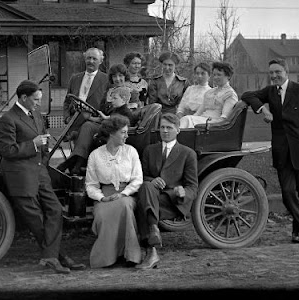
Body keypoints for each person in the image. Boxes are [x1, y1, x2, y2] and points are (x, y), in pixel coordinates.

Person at [0, 80, 86, 273]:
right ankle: (57, 257)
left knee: (55, 210)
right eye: (35, 99)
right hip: (20, 177)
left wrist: (43, 157)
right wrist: (34, 144)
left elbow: (43, 139)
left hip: (39, 172)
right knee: (37, 220)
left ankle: (51, 256)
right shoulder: (8, 119)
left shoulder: (35, 114)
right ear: (23, 98)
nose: (38, 103)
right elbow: (8, 150)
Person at [240, 58, 299, 244]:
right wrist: (263, 110)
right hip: (282, 153)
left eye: (278, 72)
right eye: (271, 73)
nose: (274, 76)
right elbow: (246, 95)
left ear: (286, 72)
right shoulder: (270, 92)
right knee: (287, 193)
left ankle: (298, 232)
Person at [135, 112, 198, 270]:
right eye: (162, 127)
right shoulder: (150, 150)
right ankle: (153, 240)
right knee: (147, 186)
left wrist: (183, 192)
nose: (165, 131)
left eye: (169, 128)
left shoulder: (187, 153)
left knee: (143, 205)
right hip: (152, 196)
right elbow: (141, 176)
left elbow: (193, 187)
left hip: (171, 201)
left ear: (178, 130)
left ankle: (151, 234)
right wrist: (152, 180)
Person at [85, 115, 143, 268]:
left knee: (124, 205)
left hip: (127, 194)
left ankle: (130, 255)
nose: (127, 135)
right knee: (103, 214)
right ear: (112, 133)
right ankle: (106, 257)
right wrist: (102, 198)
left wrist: (124, 193)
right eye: (123, 132)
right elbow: (91, 185)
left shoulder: (130, 151)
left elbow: (137, 179)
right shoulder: (95, 155)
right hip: (105, 196)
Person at [60, 85, 137, 175]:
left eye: (115, 98)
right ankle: (77, 161)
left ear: (123, 100)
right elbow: (104, 119)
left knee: (87, 126)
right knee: (86, 126)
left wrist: (106, 118)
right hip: (105, 130)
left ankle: (76, 161)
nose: (112, 101)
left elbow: (119, 122)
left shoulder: (125, 112)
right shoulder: (116, 110)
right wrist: (90, 117)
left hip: (110, 135)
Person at [179, 62, 239, 129]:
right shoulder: (209, 92)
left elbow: (224, 119)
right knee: (186, 120)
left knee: (187, 120)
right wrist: (193, 118)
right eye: (214, 75)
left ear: (228, 76)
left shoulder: (230, 94)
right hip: (202, 120)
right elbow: (198, 113)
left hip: (214, 124)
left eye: (219, 75)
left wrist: (205, 124)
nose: (216, 77)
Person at [63, 47, 108, 125]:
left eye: (94, 59)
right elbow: (67, 101)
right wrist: (67, 118)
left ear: (101, 61)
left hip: (95, 123)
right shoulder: (75, 78)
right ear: (84, 59)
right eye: (88, 58)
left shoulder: (106, 80)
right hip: (74, 122)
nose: (91, 61)